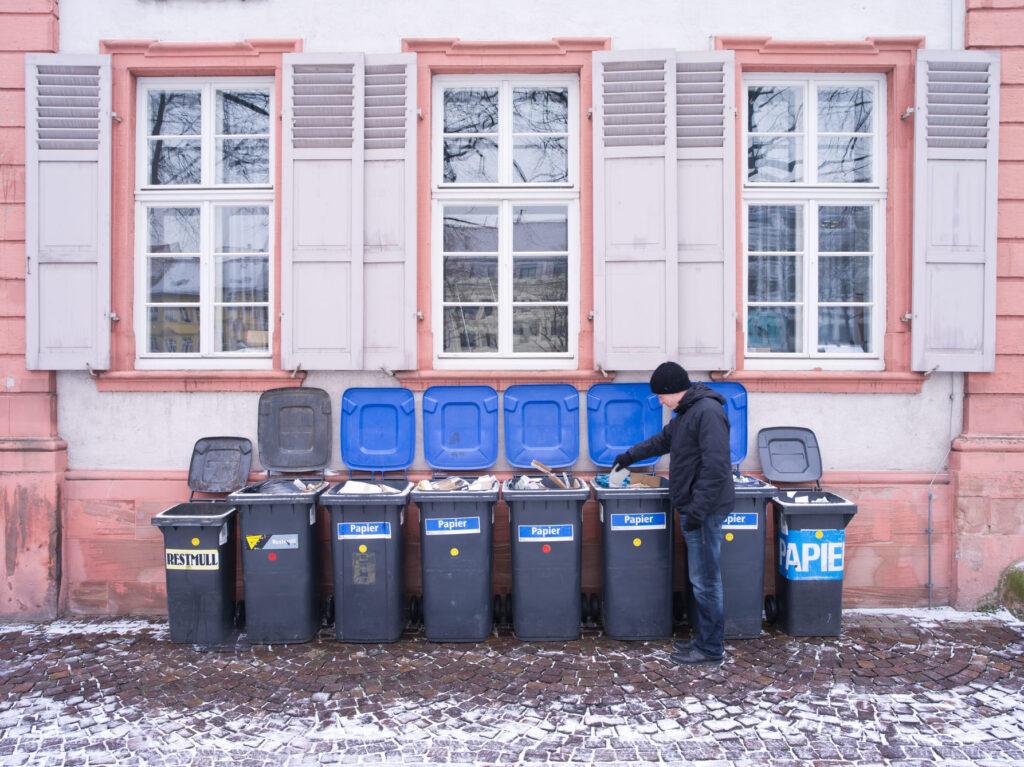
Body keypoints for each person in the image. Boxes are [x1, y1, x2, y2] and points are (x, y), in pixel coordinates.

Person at [613, 361, 733, 665]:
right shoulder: (687, 413)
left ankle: (710, 648)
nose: (660, 402)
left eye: (660, 396)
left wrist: (696, 511)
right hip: (695, 508)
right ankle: (704, 640)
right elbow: (662, 441)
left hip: (702, 511)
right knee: (700, 579)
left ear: (672, 390)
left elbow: (716, 468)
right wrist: (629, 456)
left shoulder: (707, 412)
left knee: (706, 581)